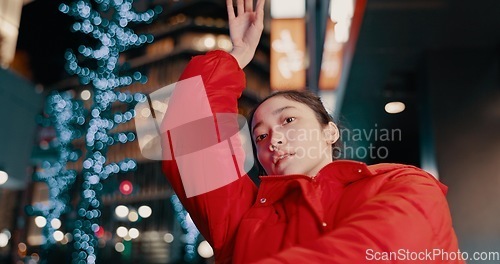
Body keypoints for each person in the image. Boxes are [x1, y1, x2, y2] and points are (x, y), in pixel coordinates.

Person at [161, 0, 463, 263]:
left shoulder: (402, 183)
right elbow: (187, 133)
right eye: (260, 137)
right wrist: (236, 57)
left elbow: (381, 250)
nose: (274, 139)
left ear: (329, 132)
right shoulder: (242, 219)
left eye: (288, 120)